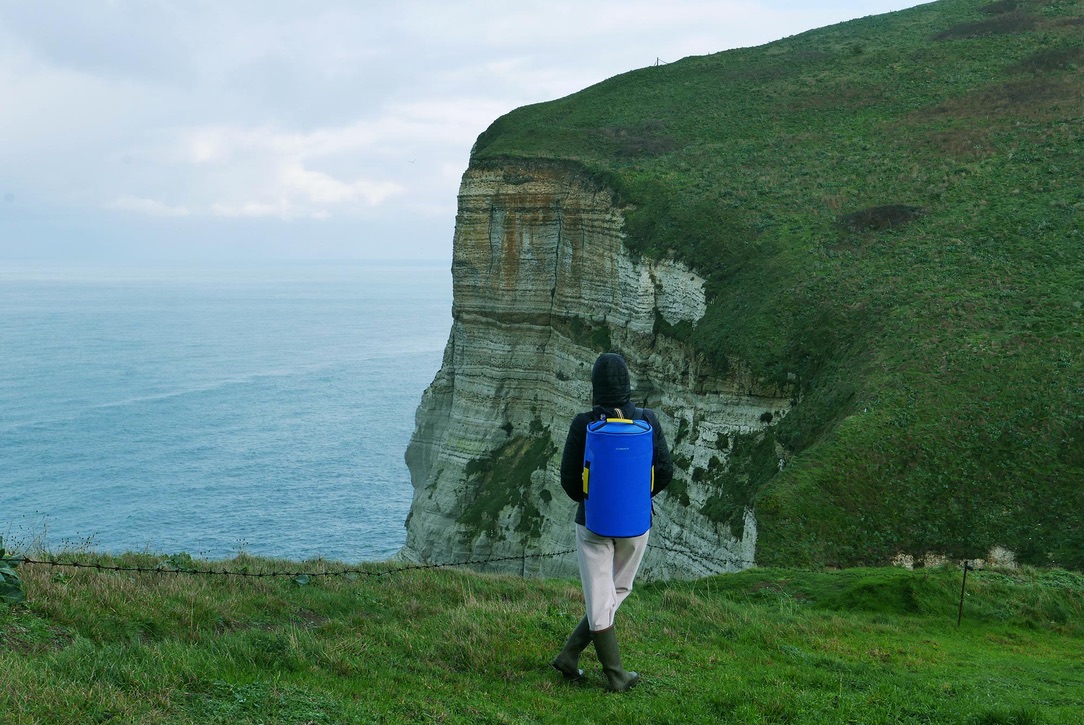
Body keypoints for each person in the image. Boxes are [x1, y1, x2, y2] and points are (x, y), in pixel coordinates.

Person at [551, 352, 673, 692]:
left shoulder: (583, 423)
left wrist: (593, 503)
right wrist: (635, 500)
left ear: (595, 387)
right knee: (617, 589)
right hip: (636, 525)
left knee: (599, 593)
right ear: (628, 386)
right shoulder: (648, 421)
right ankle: (574, 658)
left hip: (592, 525)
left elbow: (569, 480)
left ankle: (608, 673)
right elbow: (664, 472)